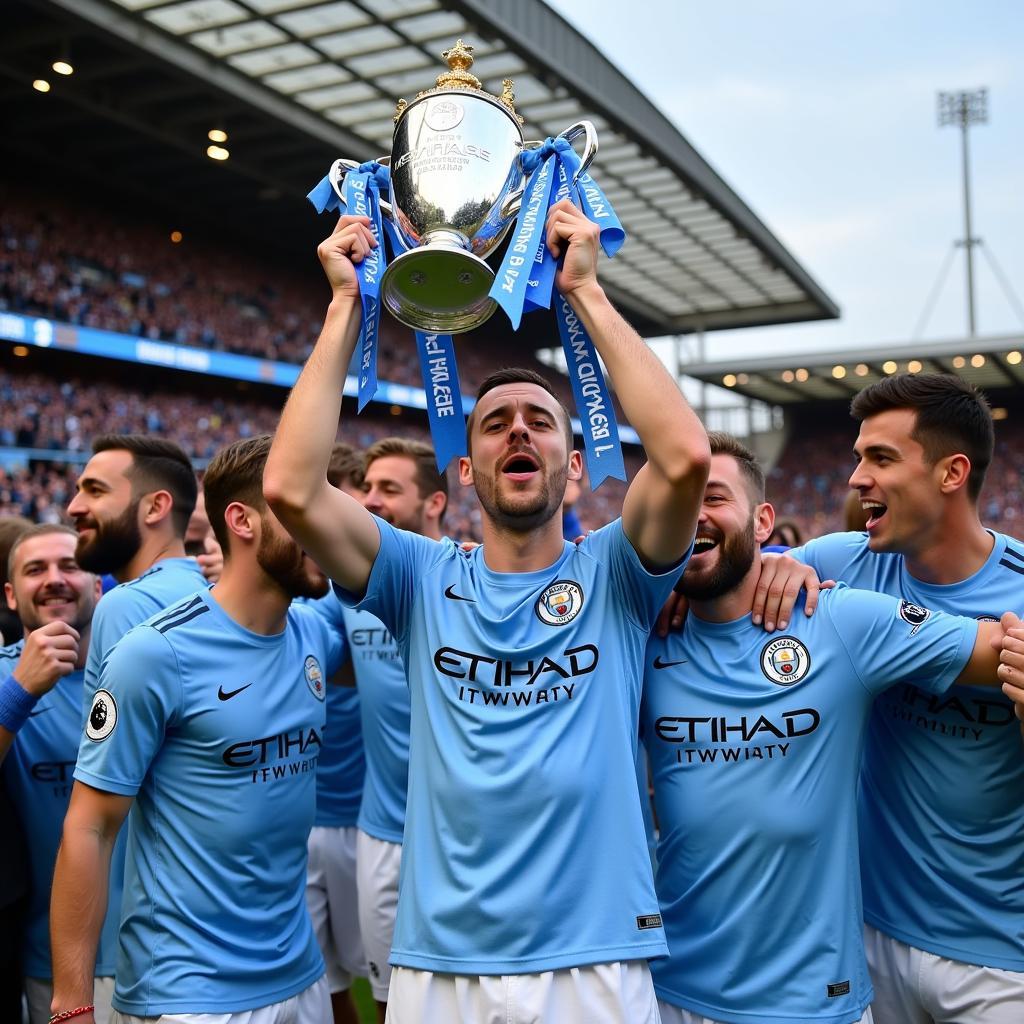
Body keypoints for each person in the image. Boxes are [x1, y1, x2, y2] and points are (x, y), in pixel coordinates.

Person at [264, 201, 711, 1023]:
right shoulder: (416, 576)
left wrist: (586, 294)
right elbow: (291, 489)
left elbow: (684, 458)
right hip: (443, 963)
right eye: (497, 423)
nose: (519, 432)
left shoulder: (616, 574)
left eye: (541, 422)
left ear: (573, 468)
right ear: (466, 472)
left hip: (596, 958)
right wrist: (343, 309)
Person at [644, 432, 1015, 1024]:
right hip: (672, 992)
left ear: (764, 519)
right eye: (678, 501)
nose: (693, 517)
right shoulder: (640, 634)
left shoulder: (839, 619)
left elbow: (994, 646)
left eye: (712, 498)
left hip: (821, 1002)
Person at [750, 373, 1024, 1022]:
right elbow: (709, 580)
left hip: (998, 956)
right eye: (855, 458)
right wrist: (770, 566)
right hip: (864, 937)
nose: (855, 479)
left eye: (881, 458)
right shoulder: (837, 563)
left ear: (951, 473)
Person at [49, 435, 345, 1023]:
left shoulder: (311, 633)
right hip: (189, 994)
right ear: (242, 521)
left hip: (301, 976)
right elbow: (89, 827)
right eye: (308, 508)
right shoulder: (154, 654)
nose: (332, 528)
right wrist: (70, 1004)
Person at [346, 437, 447, 1023]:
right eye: (367, 487)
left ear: (433, 502)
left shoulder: (475, 577)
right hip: (382, 832)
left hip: (461, 836)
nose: (370, 499)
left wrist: (784, 562)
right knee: (390, 1005)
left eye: (389, 488)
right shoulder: (349, 594)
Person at [0, 525, 114, 1023]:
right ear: (9, 594)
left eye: (70, 566)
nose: (54, 580)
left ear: (98, 586)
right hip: (47, 961)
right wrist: (19, 691)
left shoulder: (142, 668)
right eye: (35, 570)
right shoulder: (3, 680)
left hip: (160, 953)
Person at [304, 442, 369, 1024]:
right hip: (299, 821)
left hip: (363, 823)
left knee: (381, 976)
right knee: (323, 982)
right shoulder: (313, 602)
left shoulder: (385, 584)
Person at [67, 434, 205, 707]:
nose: (74, 507)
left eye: (96, 490)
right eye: (78, 489)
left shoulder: (125, 605)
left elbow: (111, 749)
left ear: (155, 507)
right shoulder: (208, 587)